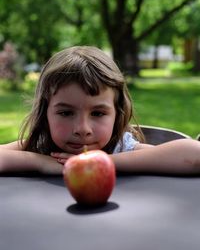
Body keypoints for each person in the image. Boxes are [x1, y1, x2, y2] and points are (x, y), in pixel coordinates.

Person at [0, 46, 200, 175]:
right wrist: (39, 162)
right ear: (45, 114)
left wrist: (103, 163)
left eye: (97, 113)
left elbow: (194, 155)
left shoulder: (121, 149)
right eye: (66, 113)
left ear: (117, 114)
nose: (82, 128)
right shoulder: (42, 146)